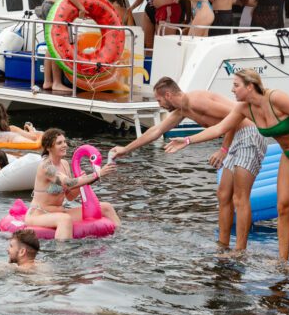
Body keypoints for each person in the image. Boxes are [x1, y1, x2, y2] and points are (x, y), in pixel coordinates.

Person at [167, 69, 289, 268]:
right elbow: (219, 128)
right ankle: (283, 261)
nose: (232, 90)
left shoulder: (275, 97)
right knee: (283, 207)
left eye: (236, 85)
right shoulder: (244, 108)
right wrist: (188, 140)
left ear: (250, 86)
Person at [111, 77, 266, 253]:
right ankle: (223, 246)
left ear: (168, 95)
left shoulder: (197, 100)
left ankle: (240, 251)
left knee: (239, 197)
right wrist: (126, 149)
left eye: (159, 100)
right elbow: (156, 130)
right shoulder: (183, 111)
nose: (159, 104)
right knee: (223, 195)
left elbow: (237, 115)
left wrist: (223, 150)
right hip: (233, 140)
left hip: (249, 134)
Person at [24, 128, 120, 240]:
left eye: (65, 142)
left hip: (60, 211)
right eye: (59, 143)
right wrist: (97, 174)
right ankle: (64, 254)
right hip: (39, 215)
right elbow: (67, 183)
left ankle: (123, 236)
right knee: (64, 220)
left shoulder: (64, 164)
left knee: (106, 207)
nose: (64, 145)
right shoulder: (46, 166)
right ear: (49, 147)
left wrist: (83, 181)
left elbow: (70, 196)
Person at [34, 0, 101, 92]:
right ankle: (57, 83)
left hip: (46, 5)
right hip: (55, 9)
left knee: (50, 45)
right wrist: (81, 7)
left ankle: (48, 82)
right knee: (59, 45)